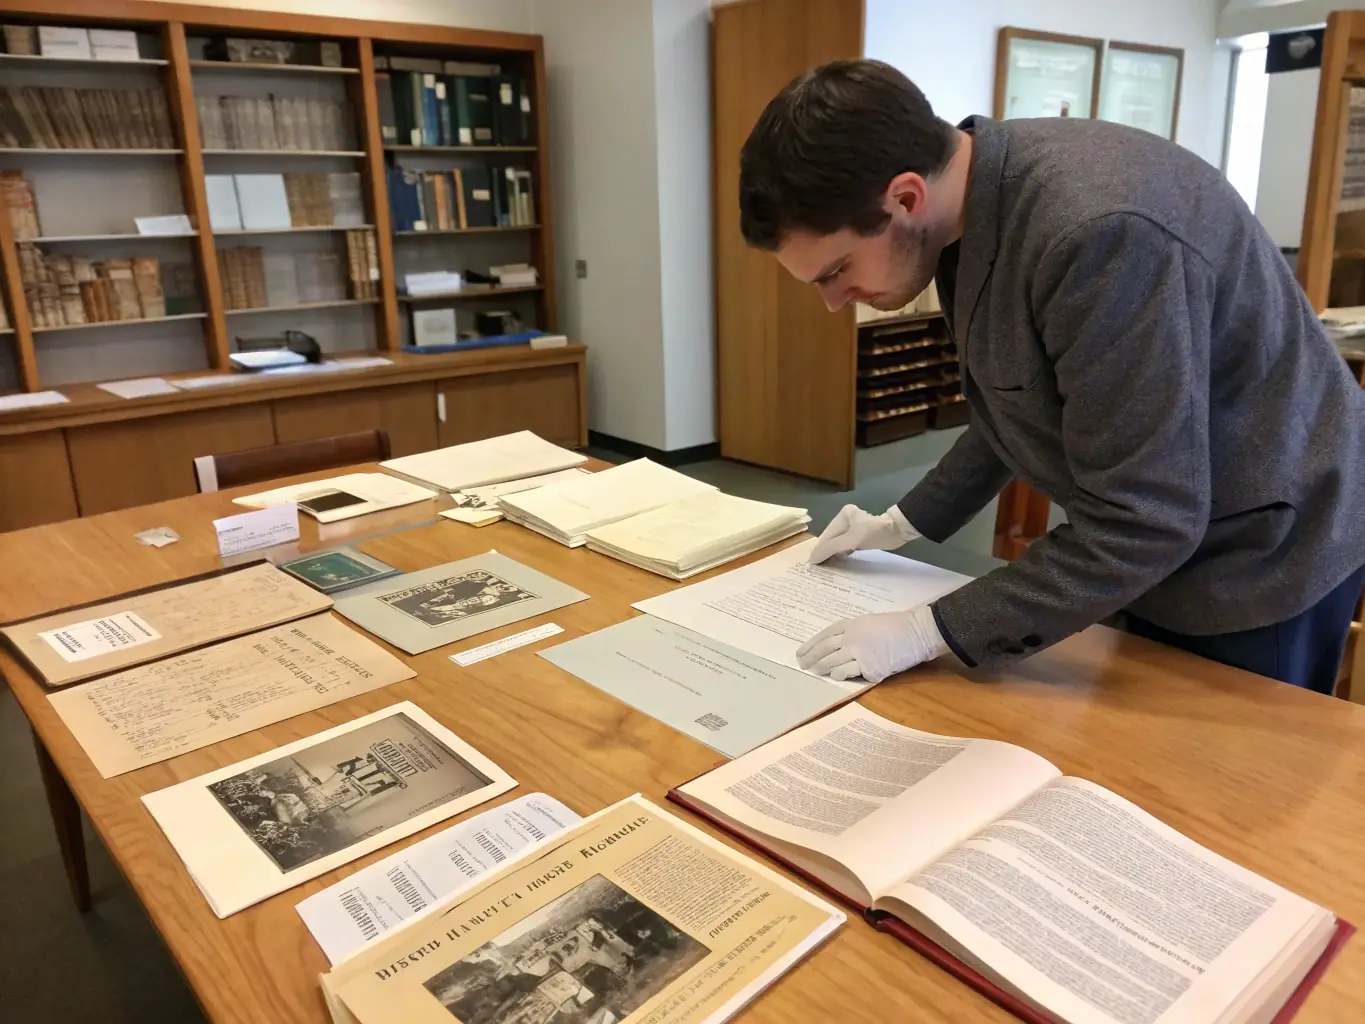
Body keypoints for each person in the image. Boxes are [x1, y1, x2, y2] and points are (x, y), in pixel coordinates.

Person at [737, 59, 1365, 694]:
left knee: (1214, 777)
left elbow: (1144, 519)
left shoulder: (1097, 234)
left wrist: (933, 629)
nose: (834, 302)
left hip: (1263, 543)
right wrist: (905, 520)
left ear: (904, 198)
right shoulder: (969, 201)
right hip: (1165, 514)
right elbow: (1021, 396)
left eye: (835, 270)